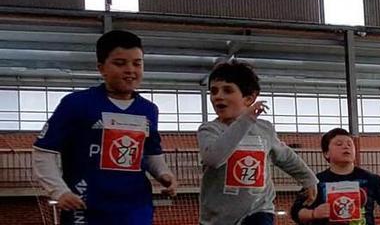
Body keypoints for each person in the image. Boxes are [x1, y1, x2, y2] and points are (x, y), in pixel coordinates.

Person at [32, 30, 177, 225]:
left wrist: (164, 175)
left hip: (135, 211)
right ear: (102, 68)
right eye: (120, 63)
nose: (130, 70)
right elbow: (43, 151)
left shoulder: (149, 110)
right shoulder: (76, 104)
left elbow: (151, 154)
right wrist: (59, 191)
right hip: (86, 210)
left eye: (137, 63)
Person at [198, 61, 318, 225]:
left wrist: (309, 179)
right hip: (218, 218)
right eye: (213, 91)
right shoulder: (210, 130)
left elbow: (286, 157)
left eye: (227, 90)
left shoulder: (264, 129)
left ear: (249, 98)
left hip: (259, 210)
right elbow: (213, 158)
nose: (218, 96)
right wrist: (244, 121)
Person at [292, 128, 380, 225]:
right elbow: (296, 211)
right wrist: (313, 213)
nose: (346, 146)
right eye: (339, 144)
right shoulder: (316, 183)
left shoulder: (371, 179)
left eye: (350, 144)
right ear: (326, 153)